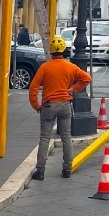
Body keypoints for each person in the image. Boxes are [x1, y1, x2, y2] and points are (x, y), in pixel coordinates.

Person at [28, 36, 91, 180]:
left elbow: (33, 87)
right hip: (65, 105)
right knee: (66, 137)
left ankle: (41, 171)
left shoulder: (45, 67)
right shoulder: (71, 67)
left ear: (51, 52)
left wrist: (36, 105)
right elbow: (87, 78)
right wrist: (73, 89)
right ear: (64, 50)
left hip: (48, 105)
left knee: (44, 138)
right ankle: (67, 168)